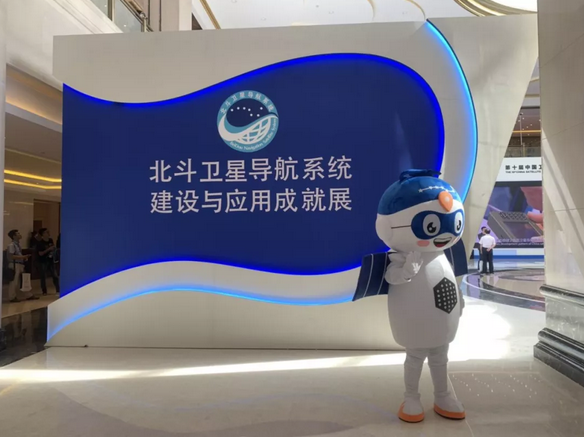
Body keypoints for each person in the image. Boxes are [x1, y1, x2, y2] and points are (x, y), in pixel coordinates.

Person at [6, 230, 38, 302]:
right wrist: (23, 257)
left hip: (20, 264)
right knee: (14, 282)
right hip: (15, 264)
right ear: (14, 236)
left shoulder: (18, 245)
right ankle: (12, 297)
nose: (20, 234)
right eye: (18, 233)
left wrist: (24, 258)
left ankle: (28, 295)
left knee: (24, 280)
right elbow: (11, 256)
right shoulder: (11, 245)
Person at [36, 228, 60, 295]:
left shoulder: (50, 240)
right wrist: (48, 249)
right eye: (47, 232)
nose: (48, 233)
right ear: (43, 234)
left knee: (55, 275)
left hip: (51, 260)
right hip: (43, 261)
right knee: (43, 276)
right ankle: (44, 291)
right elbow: (40, 253)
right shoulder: (40, 243)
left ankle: (58, 289)